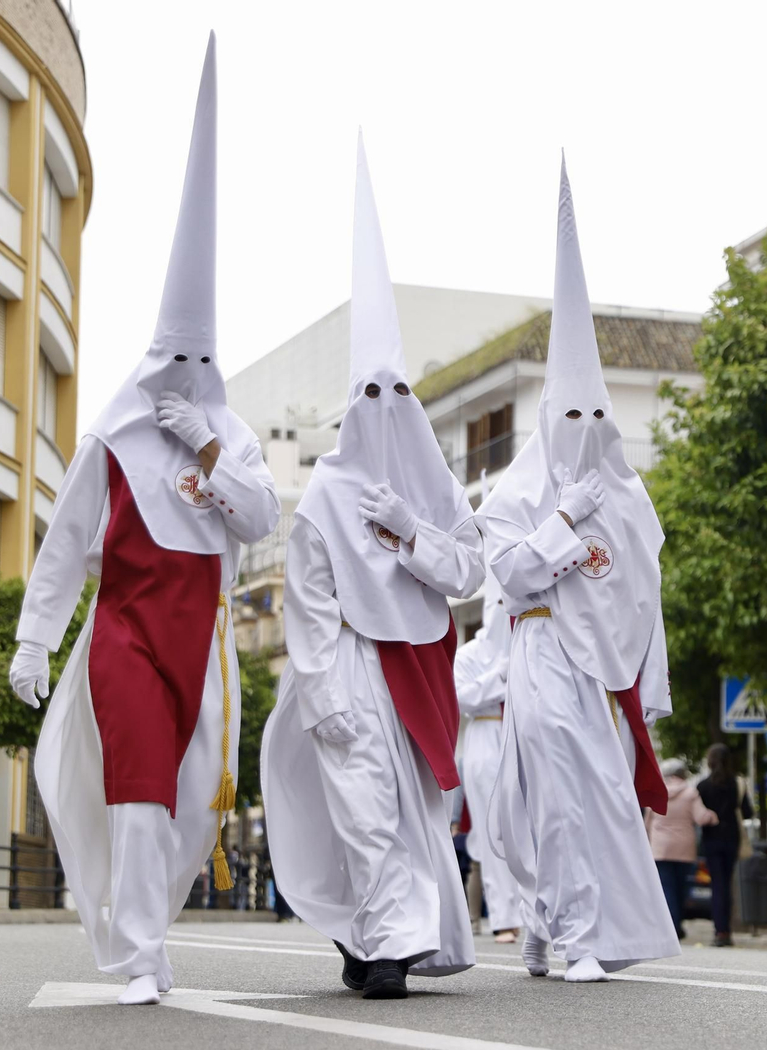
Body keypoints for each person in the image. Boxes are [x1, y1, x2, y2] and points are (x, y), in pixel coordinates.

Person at [8, 35, 280, 1007]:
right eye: (173, 366)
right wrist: (38, 637)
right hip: (124, 629)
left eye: (199, 369)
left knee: (187, 788)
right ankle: (135, 950)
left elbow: (260, 514)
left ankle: (151, 921)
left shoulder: (232, 437)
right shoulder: (113, 442)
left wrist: (207, 449)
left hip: (200, 641)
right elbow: (64, 546)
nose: (184, 382)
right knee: (134, 779)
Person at [259, 135, 484, 1001]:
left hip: (418, 665)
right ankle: (384, 947)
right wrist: (320, 694)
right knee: (360, 804)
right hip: (352, 663)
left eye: (399, 395)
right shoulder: (320, 500)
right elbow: (309, 605)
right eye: (370, 397)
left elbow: (465, 569)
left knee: (414, 814)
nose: (386, 413)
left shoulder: (433, 485)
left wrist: (414, 533)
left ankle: (379, 938)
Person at [477, 158, 677, 984]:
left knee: (595, 794)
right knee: (551, 785)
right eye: (571, 413)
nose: (586, 427)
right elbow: (515, 575)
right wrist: (563, 520)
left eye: (600, 413)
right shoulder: (516, 489)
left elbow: (644, 595)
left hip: (602, 671)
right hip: (537, 651)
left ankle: (554, 922)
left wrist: (650, 688)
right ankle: (576, 933)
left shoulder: (629, 499)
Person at [453, 540, 523, 944]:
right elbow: (462, 698)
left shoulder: (523, 641)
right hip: (482, 735)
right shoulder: (470, 654)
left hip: (517, 733)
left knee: (527, 824)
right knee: (491, 827)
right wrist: (497, 676)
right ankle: (503, 917)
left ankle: (535, 912)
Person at [694, 744, 754, 947]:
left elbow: (697, 814)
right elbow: (748, 812)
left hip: (711, 840)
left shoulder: (702, 786)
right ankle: (726, 931)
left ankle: (719, 931)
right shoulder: (737, 784)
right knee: (726, 884)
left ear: (710, 761)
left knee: (717, 885)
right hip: (731, 838)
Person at [647, 757, 709, 941]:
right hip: (684, 849)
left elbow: (646, 823)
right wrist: (713, 817)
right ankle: (676, 925)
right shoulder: (691, 793)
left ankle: (670, 927)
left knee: (666, 889)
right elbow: (701, 818)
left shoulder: (656, 791)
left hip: (660, 848)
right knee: (682, 888)